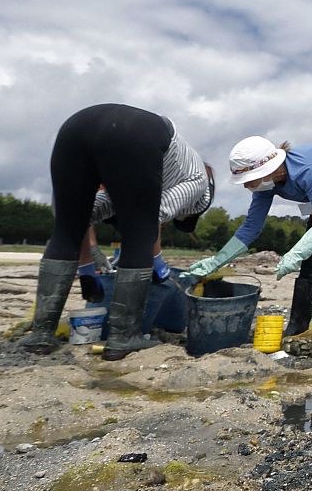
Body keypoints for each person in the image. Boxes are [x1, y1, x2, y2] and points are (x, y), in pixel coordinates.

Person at [21, 104, 213, 361]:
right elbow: (148, 221)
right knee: (138, 230)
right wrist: (157, 262)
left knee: (67, 226)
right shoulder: (198, 185)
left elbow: (78, 217)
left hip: (75, 126)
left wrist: (87, 267)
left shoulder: (137, 179)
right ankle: (123, 338)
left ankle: (41, 335)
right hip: (135, 133)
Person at [185, 137, 312, 351]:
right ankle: (297, 326)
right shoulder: (265, 186)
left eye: (249, 179)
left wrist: (295, 253)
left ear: (270, 168)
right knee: (311, 259)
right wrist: (217, 261)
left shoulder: (307, 169)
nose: (247, 186)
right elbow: (251, 227)